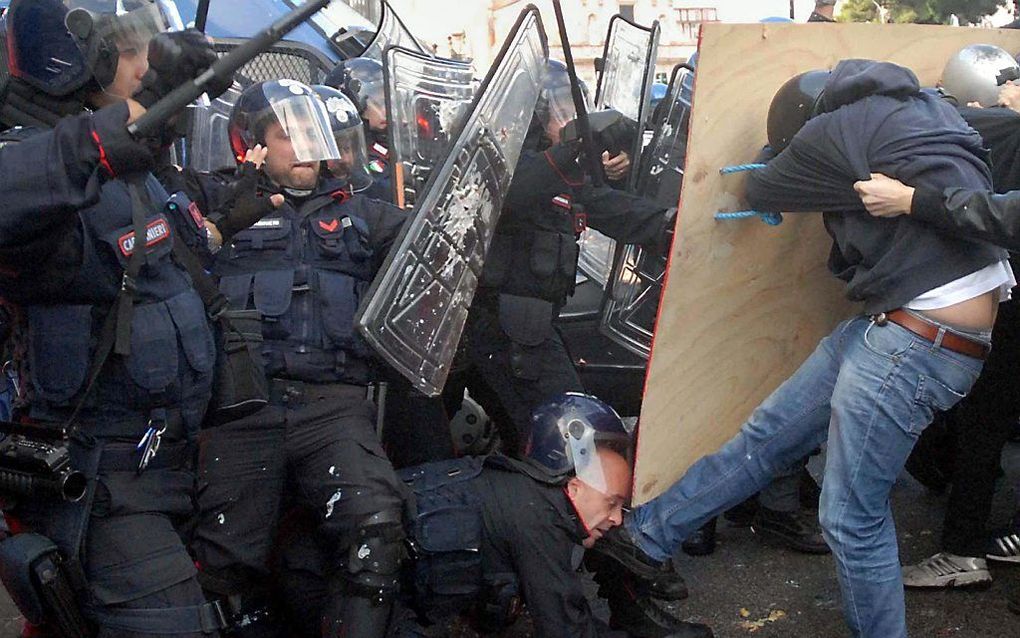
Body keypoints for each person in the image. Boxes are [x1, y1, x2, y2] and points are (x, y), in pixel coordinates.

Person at [598, 59, 1012, 638]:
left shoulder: (828, 132)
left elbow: (759, 186)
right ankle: (642, 539)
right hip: (904, 331)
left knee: (851, 517)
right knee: (765, 440)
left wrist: (777, 156)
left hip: (916, 340)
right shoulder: (929, 108)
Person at [0, 0, 234, 635]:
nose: (144, 63)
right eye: (132, 50)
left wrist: (165, 93)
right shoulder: (40, 164)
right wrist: (94, 141)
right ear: (79, 57)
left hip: (170, 466)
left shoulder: (120, 161)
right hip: (100, 480)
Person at [189, 79, 410, 638]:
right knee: (222, 569)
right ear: (251, 145)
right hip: (244, 410)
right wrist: (217, 224)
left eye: (312, 130)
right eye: (288, 133)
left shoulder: (365, 214)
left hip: (332, 408)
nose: (306, 145)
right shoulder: (217, 208)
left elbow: (443, 246)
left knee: (377, 529)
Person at [274, 393, 713, 638]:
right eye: (613, 502)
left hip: (332, 576)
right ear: (573, 485)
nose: (617, 519)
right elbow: (569, 630)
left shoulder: (518, 489)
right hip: (330, 587)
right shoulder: (538, 518)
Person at [443, 59, 674, 456]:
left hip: (527, 329)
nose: (571, 120)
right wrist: (572, 149)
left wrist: (671, 224)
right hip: (503, 332)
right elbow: (519, 191)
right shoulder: (503, 165)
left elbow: (606, 206)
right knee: (572, 439)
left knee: (538, 436)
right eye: (562, 110)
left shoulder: (556, 171)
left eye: (575, 109)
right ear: (532, 116)